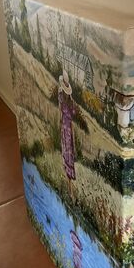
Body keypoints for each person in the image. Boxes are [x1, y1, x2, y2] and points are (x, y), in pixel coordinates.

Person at [58, 70, 76, 199]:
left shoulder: (67, 101)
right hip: (66, 129)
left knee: (68, 155)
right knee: (67, 154)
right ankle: (70, 191)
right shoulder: (65, 100)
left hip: (67, 129)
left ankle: (70, 190)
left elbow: (67, 114)